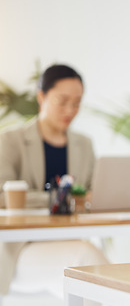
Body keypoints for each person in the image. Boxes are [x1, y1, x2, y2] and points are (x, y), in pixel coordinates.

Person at [0, 65, 108, 297]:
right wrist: (63, 198)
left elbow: (91, 194)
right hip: (19, 250)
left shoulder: (84, 144)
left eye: (77, 102)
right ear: (42, 97)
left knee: (85, 289)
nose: (70, 109)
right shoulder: (10, 140)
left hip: (66, 240)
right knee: (87, 259)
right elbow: (3, 198)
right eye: (63, 100)